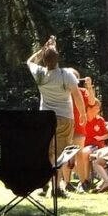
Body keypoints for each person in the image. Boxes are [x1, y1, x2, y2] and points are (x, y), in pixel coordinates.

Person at [26, 36, 85, 197]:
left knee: (48, 152)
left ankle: (46, 184)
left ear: (44, 60)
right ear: (58, 58)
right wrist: (83, 114)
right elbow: (77, 95)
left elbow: (29, 61)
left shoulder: (39, 74)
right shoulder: (66, 75)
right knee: (61, 153)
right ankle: (56, 188)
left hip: (45, 118)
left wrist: (42, 50)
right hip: (65, 117)